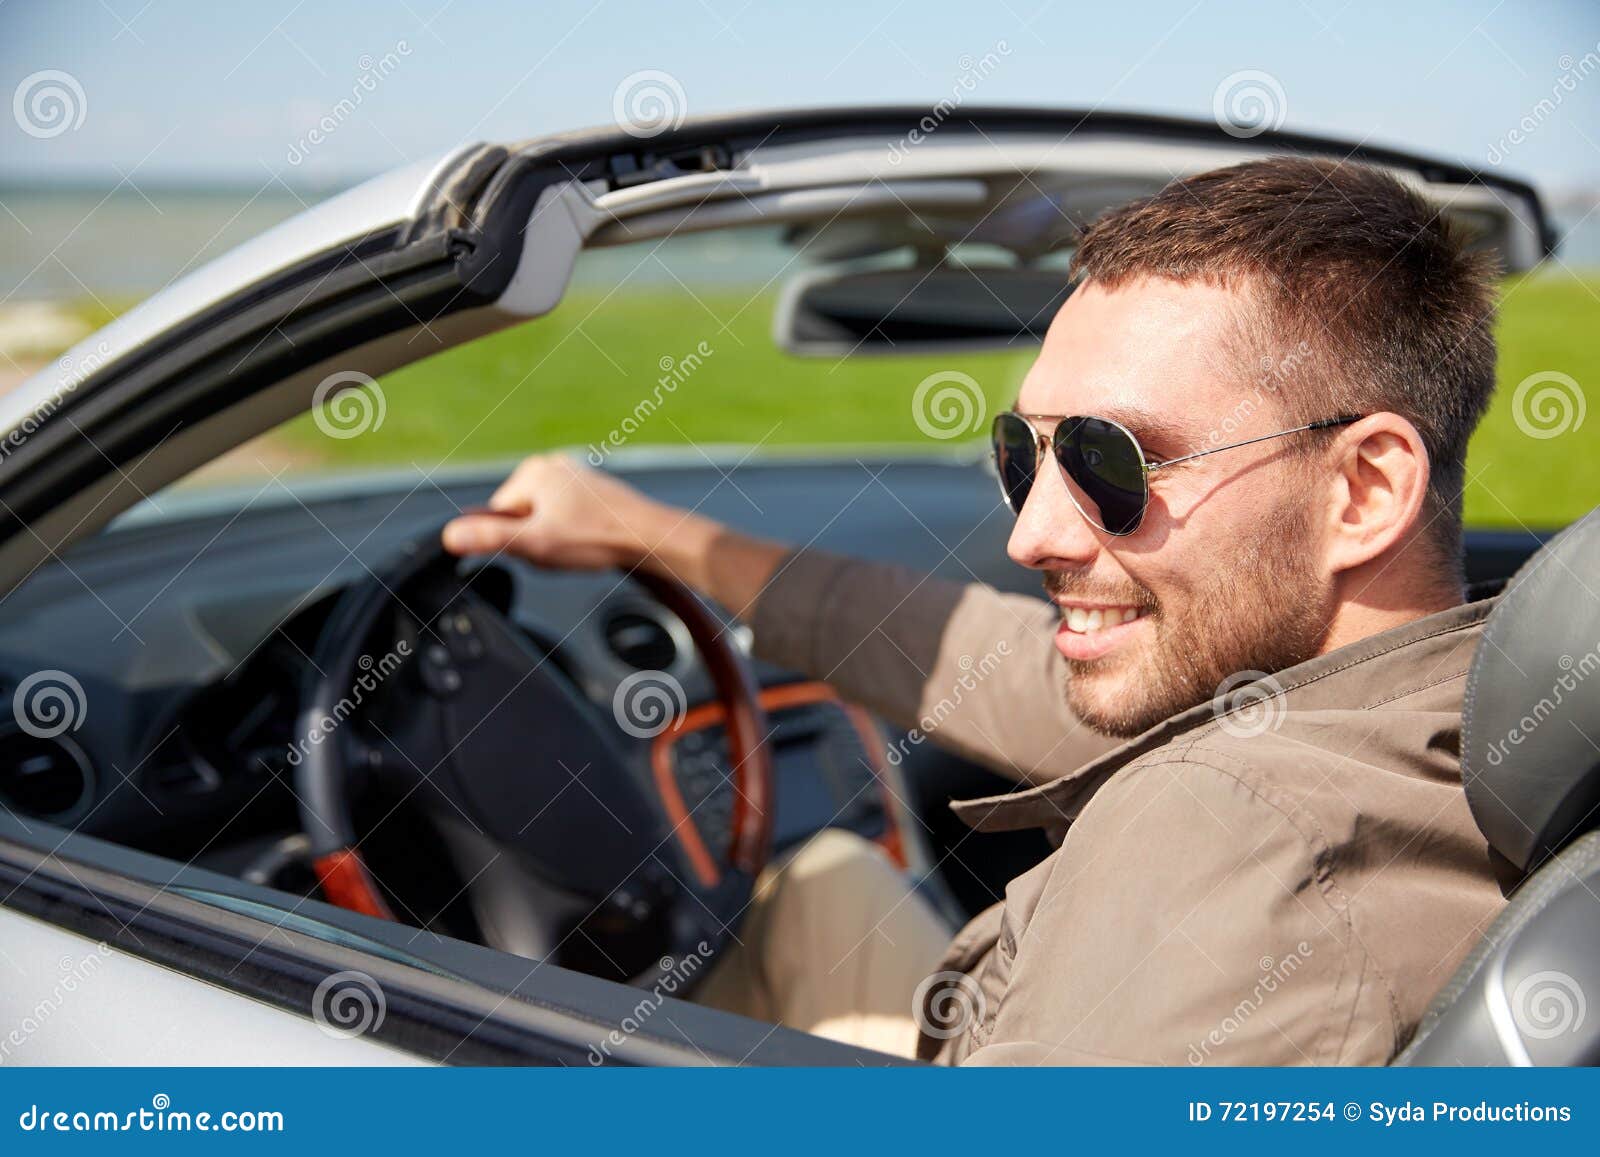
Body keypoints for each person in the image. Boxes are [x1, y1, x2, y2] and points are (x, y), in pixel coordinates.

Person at [443, 156, 1508, 1065]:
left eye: (1111, 459)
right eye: (1022, 454)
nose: (1031, 533)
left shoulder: (1224, 823)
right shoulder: (1467, 696)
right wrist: (648, 530)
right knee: (829, 875)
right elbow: (995, 660)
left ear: (1363, 489)